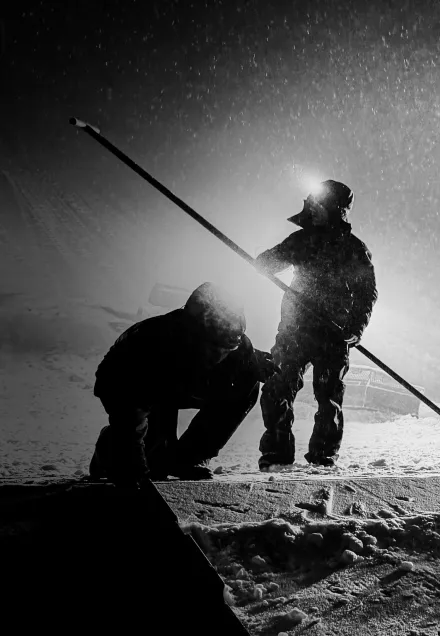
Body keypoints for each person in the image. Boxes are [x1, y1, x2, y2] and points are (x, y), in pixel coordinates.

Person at [89, 282, 280, 484]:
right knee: (150, 461)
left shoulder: (237, 349)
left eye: (226, 349)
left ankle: (185, 458)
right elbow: (130, 421)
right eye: (214, 347)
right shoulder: (151, 347)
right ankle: (107, 449)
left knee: (247, 379)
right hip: (123, 384)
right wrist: (135, 477)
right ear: (193, 333)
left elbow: (245, 357)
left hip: (180, 381)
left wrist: (257, 362)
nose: (219, 356)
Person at [254, 179, 377, 470]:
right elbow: (270, 261)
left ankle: (323, 456)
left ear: (337, 210)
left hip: (333, 335)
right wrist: (262, 262)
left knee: (328, 398)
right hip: (295, 330)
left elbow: (366, 292)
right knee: (276, 387)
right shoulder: (302, 240)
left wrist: (355, 329)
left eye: (320, 204)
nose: (313, 208)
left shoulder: (353, 249)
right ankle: (276, 453)